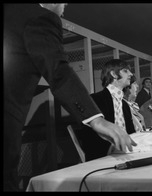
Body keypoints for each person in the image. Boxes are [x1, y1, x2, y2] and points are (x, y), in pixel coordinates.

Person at [3, 4, 136, 191]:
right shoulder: (40, 17)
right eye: (64, 3)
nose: (65, 7)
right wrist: (97, 120)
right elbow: (59, 73)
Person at [78, 59, 137, 161]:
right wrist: (112, 149)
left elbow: (132, 134)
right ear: (114, 74)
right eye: (125, 71)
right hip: (104, 158)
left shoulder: (125, 105)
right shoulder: (95, 100)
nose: (131, 74)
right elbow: (88, 138)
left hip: (126, 155)